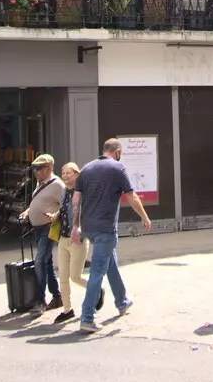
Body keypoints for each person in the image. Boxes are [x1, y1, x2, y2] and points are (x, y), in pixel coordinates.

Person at [72, 138, 152, 333]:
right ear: (117, 152)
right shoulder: (118, 168)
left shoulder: (86, 169)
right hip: (105, 229)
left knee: (111, 263)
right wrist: (145, 216)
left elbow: (76, 199)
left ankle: (122, 301)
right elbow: (131, 196)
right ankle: (87, 317)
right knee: (97, 272)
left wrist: (76, 226)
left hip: (89, 227)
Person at [16, 153, 64, 313]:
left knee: (40, 261)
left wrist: (55, 216)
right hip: (37, 228)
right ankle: (57, 297)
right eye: (34, 169)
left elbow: (66, 206)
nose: (36, 172)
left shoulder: (57, 185)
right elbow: (40, 201)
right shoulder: (40, 183)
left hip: (48, 228)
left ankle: (39, 300)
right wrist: (28, 211)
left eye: (39, 168)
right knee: (47, 263)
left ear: (49, 167)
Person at [53, 162, 99, 324]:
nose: (65, 176)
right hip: (63, 239)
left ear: (77, 175)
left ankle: (97, 291)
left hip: (77, 240)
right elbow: (64, 210)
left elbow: (88, 215)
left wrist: (81, 232)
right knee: (63, 277)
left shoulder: (83, 193)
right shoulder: (65, 192)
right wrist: (55, 215)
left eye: (68, 173)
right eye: (63, 173)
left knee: (75, 277)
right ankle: (67, 309)